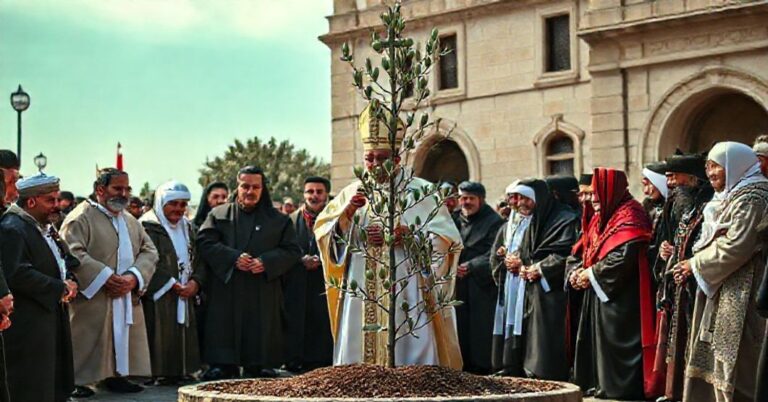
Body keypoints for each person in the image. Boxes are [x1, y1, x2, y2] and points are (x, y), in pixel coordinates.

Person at [314, 104, 463, 368]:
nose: (373, 164)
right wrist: (347, 216)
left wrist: (406, 235)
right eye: (368, 158)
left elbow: (447, 240)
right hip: (361, 284)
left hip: (407, 283)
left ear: (396, 159)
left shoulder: (421, 191)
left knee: (409, 343)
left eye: (380, 158)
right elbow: (326, 235)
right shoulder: (352, 193)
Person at [672, 142, 768, 402]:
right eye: (708, 166)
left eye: (716, 166)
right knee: (716, 358)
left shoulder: (753, 196)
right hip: (722, 284)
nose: (710, 172)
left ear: (733, 165)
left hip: (744, 289)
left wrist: (694, 264)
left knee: (742, 359)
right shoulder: (730, 194)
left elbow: (738, 245)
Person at [196, 166, 302, 379]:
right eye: (245, 186)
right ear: (238, 186)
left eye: (255, 187)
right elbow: (205, 242)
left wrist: (267, 261)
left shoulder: (279, 219)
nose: (250, 191)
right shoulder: (218, 214)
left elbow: (292, 251)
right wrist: (233, 257)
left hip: (262, 285)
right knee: (224, 323)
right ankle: (223, 364)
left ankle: (261, 363)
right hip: (227, 285)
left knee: (262, 325)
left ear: (263, 189)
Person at [60, 168, 158, 395]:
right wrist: (105, 277)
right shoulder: (80, 217)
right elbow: (72, 252)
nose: (123, 194)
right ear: (100, 190)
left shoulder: (131, 221)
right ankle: (79, 381)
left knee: (122, 334)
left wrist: (134, 277)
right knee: (87, 336)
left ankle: (117, 376)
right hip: (95, 294)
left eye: (127, 189)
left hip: (125, 292)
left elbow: (149, 251)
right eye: (117, 188)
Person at [570, 168, 656, 400]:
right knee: (601, 343)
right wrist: (581, 272)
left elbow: (623, 257)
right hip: (601, 290)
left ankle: (620, 390)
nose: (592, 202)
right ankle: (601, 385)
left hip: (623, 294)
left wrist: (591, 274)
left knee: (619, 343)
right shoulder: (605, 213)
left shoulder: (631, 213)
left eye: (596, 197)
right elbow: (591, 248)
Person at [0, 174, 78, 402]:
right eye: (50, 201)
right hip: (28, 325)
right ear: (31, 202)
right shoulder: (12, 228)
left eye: (57, 200)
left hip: (48, 319)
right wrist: (59, 288)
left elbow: (63, 260)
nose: (57, 206)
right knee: (31, 385)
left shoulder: (41, 227)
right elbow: (18, 273)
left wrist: (70, 280)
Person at [654, 152, 713, 401]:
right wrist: (665, 250)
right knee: (676, 339)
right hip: (679, 281)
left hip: (700, 280)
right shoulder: (679, 204)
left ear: (692, 179)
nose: (671, 184)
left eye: (675, 177)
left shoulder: (709, 203)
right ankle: (675, 392)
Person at [139, 181, 201, 384]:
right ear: (161, 203)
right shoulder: (146, 227)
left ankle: (182, 370)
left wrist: (195, 282)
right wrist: (170, 283)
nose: (179, 209)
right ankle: (159, 372)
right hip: (159, 292)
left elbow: (199, 259)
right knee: (159, 329)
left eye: (183, 205)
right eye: (173, 204)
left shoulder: (189, 227)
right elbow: (144, 259)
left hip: (186, 288)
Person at [282, 176, 334, 372]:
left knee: (322, 319)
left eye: (319, 192)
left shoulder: (336, 218)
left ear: (326, 194)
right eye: (310, 192)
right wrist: (299, 259)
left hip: (325, 279)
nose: (314, 196)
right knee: (296, 319)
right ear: (303, 195)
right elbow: (283, 248)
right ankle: (294, 359)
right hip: (297, 279)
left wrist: (323, 260)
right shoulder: (290, 221)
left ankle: (321, 360)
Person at [454, 181, 504, 374]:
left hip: (481, 284)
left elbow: (495, 251)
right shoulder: (454, 219)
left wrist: (471, 266)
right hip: (458, 283)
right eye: (463, 198)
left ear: (481, 200)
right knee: (460, 325)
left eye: (470, 198)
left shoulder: (494, 222)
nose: (466, 202)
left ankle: (482, 367)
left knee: (480, 326)